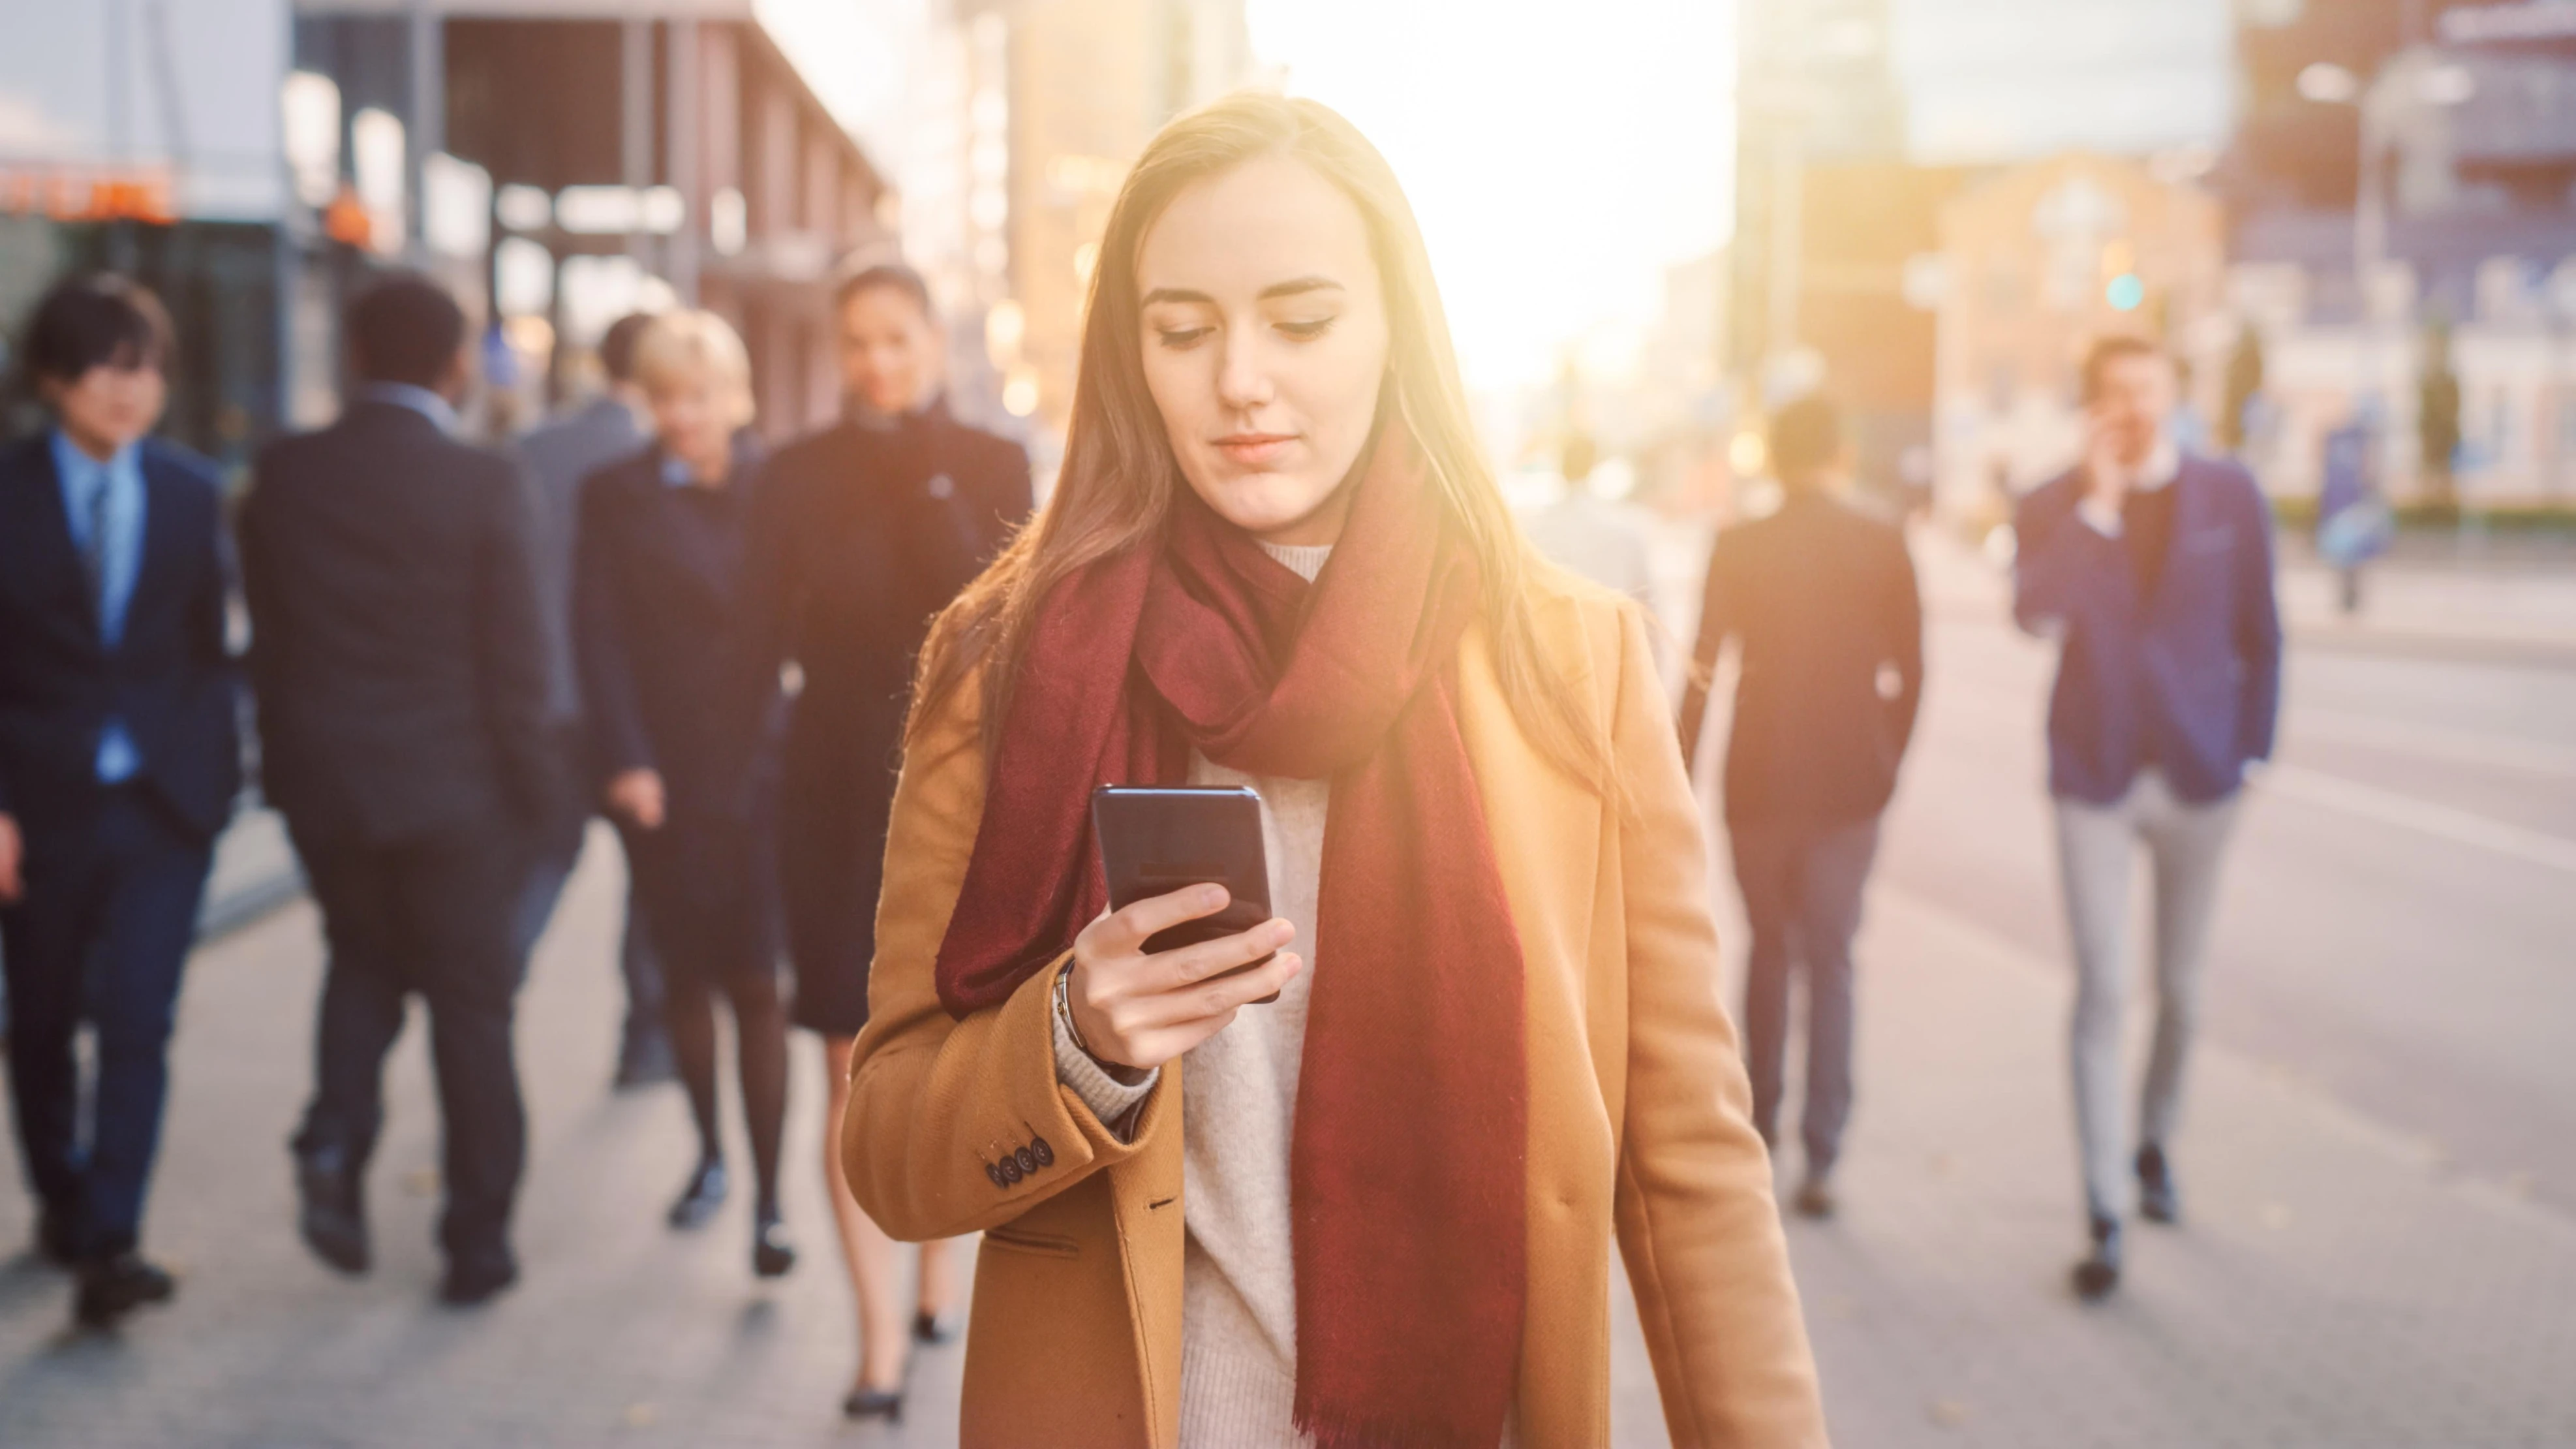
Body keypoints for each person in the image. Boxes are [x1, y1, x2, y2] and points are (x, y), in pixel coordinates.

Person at [841, 93, 1826, 1446]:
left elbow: (1692, 1164)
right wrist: (1076, 1043)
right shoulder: (1004, 664)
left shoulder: (1571, 661)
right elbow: (890, 1147)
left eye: (1301, 322)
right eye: (1182, 330)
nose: (1241, 378)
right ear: (1131, 357)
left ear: (1395, 336)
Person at [744, 261, 1030, 1416]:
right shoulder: (793, 475)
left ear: (933, 342)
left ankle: (937, 1273)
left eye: (896, 340)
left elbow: (1000, 621)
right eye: (857, 343)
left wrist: (933, 491)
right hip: (826, 799)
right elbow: (752, 641)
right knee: (848, 1063)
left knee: (954, 1047)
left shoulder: (994, 465)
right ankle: (875, 1345)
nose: (876, 363)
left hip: (963, 799)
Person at [241, 273, 553, 1307]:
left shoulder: (282, 477)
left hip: (328, 792)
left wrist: (287, 776)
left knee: (363, 963)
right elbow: (518, 663)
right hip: (457, 796)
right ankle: (479, 1244)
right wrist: (544, 798)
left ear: (356, 358)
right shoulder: (485, 482)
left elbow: (272, 649)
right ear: (457, 364)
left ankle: (333, 1140)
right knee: (471, 1010)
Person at [2012, 335, 2282, 1301]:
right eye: (2114, 392)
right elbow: (2035, 617)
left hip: (2201, 780)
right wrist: (2098, 505)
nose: (2132, 406)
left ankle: (2156, 1144)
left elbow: (2262, 630)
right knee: (2102, 987)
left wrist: (2251, 753)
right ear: (2092, 406)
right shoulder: (2054, 501)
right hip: (2093, 774)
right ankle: (2104, 1210)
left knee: (2183, 989)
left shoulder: (2231, 495)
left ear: (2174, 394)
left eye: (2148, 388)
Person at [0, 275, 240, 1327]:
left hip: (160, 810)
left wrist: (213, 785)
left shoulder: (191, 492)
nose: (130, 389)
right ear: (54, 378)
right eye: (106, 367)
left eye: (146, 367)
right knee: (44, 1023)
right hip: (33, 809)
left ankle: (112, 1242)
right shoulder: (4, 490)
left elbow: (206, 652)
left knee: (140, 1021)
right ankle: (62, 1197)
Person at [574, 310, 795, 1279]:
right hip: (662, 774)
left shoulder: (777, 488)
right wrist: (624, 761)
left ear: (734, 397)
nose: (683, 415)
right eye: (665, 397)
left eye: (699, 396)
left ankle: (774, 1201)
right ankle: (708, 1157)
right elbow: (598, 635)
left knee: (760, 985)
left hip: (761, 770)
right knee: (688, 980)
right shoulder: (611, 496)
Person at [1676, 394, 1923, 1221]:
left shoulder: (1738, 544)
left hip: (1758, 782)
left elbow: (1703, 674)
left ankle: (1760, 1130)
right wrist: (1886, 765)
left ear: (1774, 459)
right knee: (1835, 956)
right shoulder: (1881, 539)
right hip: (1852, 784)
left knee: (1769, 951)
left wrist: (1677, 776)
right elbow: (1912, 670)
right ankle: (1826, 1148)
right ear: (1842, 454)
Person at [514, 311, 673, 1089]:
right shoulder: (659, 461)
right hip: (635, 712)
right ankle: (646, 1039)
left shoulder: (533, 449)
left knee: (543, 862)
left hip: (546, 701)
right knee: (652, 884)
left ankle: (492, 986)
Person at [1525, 429, 1655, 608]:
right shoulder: (1627, 526)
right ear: (1595, 464)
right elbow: (1648, 604)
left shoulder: (1534, 530)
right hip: (1613, 629)